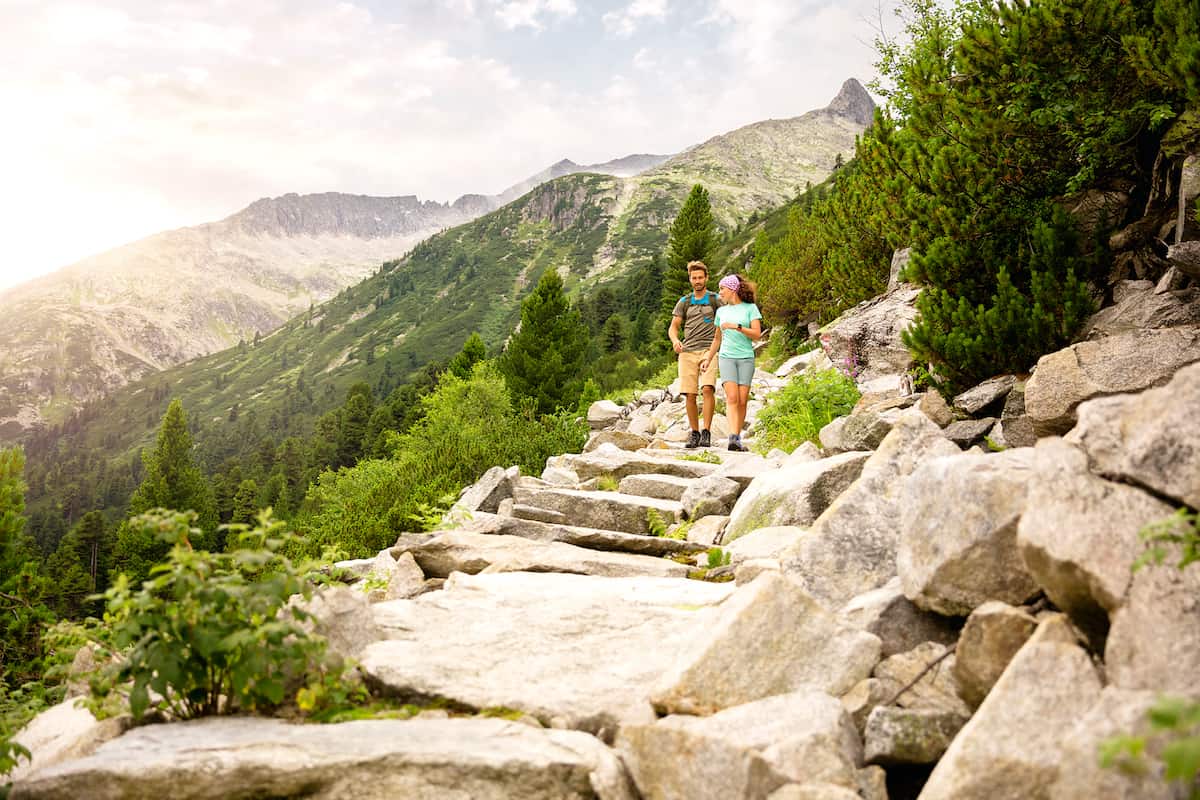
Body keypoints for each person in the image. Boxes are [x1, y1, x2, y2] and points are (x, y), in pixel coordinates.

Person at [700, 274, 762, 452]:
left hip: (746, 358)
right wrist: (708, 358)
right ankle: (733, 438)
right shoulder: (721, 312)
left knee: (742, 400)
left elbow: (757, 334)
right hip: (726, 357)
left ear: (732, 289)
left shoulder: (750, 308)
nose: (720, 293)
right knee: (732, 397)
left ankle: (737, 437)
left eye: (722, 289)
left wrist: (738, 327)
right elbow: (717, 339)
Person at [668, 260, 723, 448]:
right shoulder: (684, 302)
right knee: (689, 394)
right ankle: (695, 432)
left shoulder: (715, 299)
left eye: (700, 277)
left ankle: (706, 431)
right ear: (690, 279)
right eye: (694, 278)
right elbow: (673, 327)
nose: (697, 280)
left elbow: (726, 322)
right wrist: (676, 341)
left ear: (706, 278)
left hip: (709, 350)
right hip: (687, 352)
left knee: (707, 388)